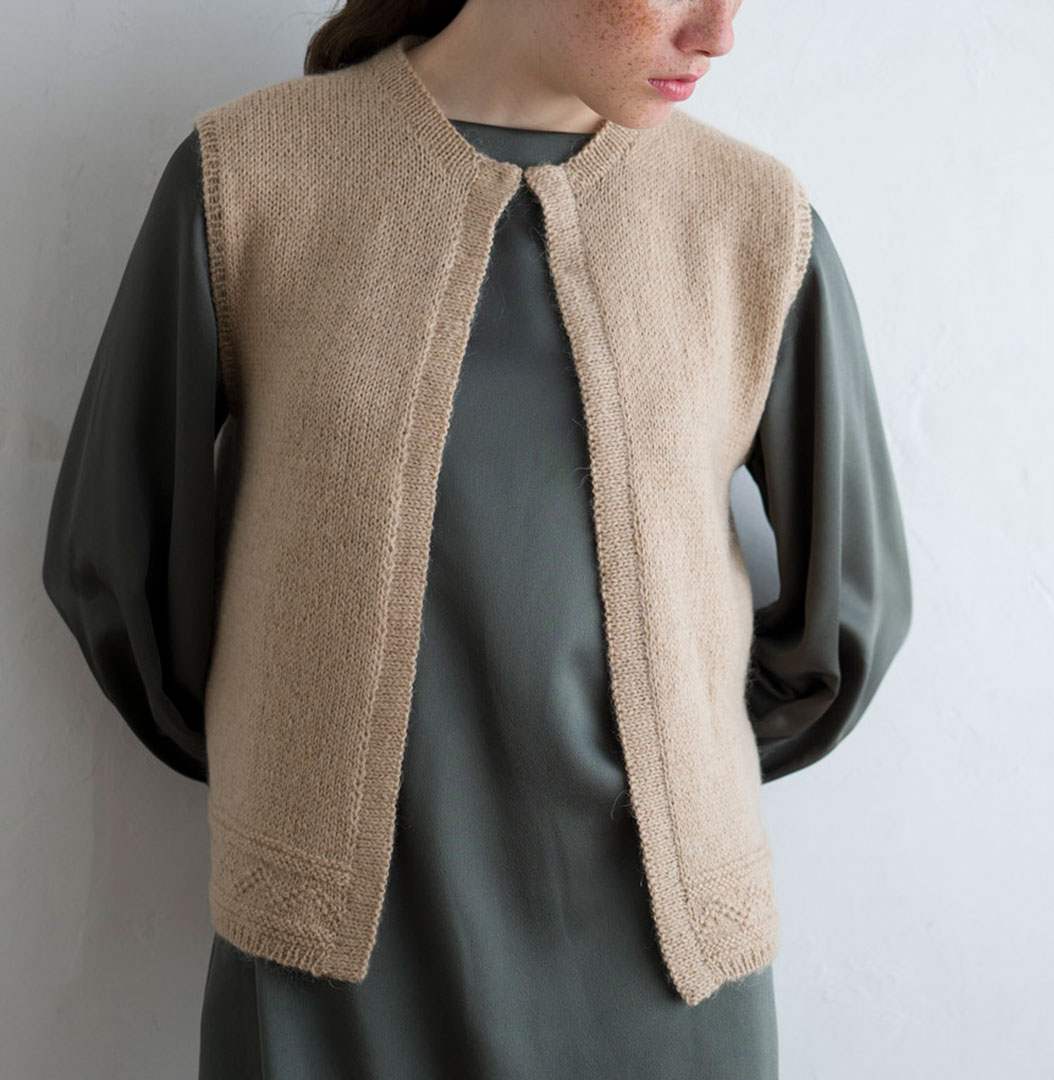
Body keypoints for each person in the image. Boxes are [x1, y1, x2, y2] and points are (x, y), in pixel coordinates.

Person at [41, 2, 913, 1077]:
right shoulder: (251, 175)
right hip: (328, 973)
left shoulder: (752, 220)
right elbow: (116, 561)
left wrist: (681, 762)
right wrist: (286, 761)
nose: (718, 32)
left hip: (665, 962)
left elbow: (848, 620)